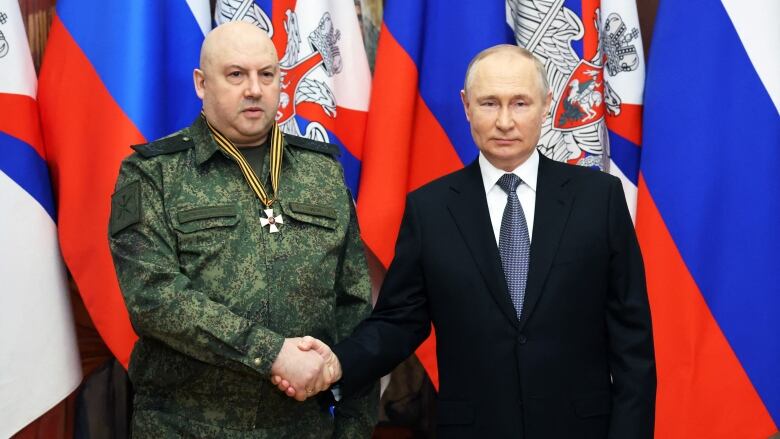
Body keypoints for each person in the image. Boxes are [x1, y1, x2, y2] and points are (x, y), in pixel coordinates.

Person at [277, 44, 656, 438]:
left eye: (520, 103)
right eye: (490, 103)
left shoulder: (599, 199)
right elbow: (399, 322)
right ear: (466, 106)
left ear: (546, 106)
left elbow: (633, 345)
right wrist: (337, 364)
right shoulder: (431, 210)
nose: (505, 121)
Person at [108, 21, 377, 438]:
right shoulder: (152, 174)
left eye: (266, 75)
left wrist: (355, 429)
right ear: (201, 83)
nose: (254, 89)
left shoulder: (322, 171)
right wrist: (273, 354)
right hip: (187, 426)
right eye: (236, 75)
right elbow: (154, 298)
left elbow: (354, 308)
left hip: (303, 427)